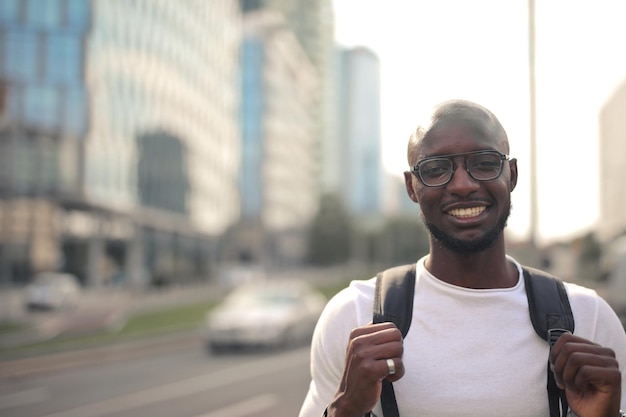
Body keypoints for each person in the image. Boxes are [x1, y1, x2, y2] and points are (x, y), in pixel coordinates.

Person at [299, 99, 626, 417]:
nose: (463, 185)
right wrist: (344, 410)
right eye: (436, 169)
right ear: (411, 187)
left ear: (511, 174)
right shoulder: (355, 315)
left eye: (483, 163)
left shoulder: (587, 317)